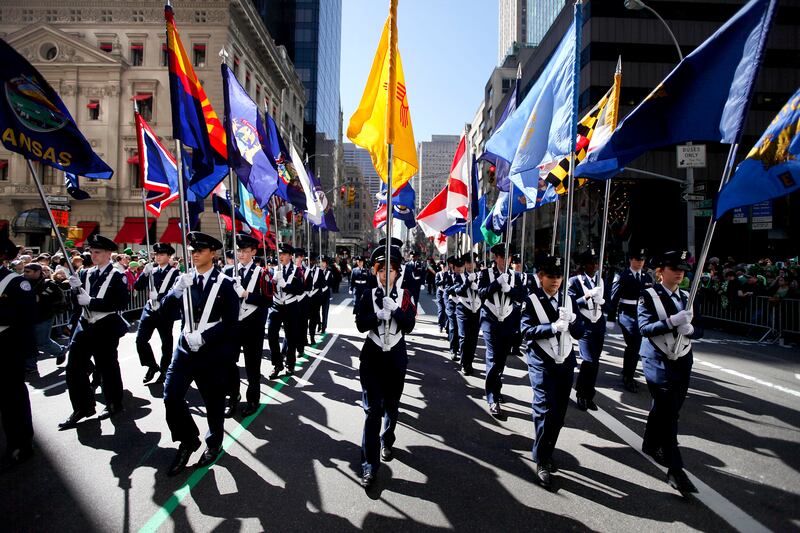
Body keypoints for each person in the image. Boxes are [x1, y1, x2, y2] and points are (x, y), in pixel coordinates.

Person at [161, 232, 239, 476]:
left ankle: (214, 443)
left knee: (213, 403)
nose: (194, 254)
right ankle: (188, 440)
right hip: (184, 350)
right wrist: (175, 291)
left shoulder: (225, 284)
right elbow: (164, 311)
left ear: (212, 253)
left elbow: (231, 323)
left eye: (200, 250)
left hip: (211, 353)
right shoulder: (184, 280)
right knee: (171, 396)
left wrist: (206, 336)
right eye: (192, 250)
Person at [638, 250, 703, 495]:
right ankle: (676, 470)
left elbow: (701, 329)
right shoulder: (648, 295)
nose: (679, 273)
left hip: (682, 359)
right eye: (674, 269)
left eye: (683, 270)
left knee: (670, 407)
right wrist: (671, 322)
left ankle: (650, 443)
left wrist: (691, 329)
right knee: (669, 413)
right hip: (657, 358)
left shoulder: (687, 296)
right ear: (660, 271)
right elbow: (644, 328)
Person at [520, 255, 585, 488]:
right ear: (540, 276)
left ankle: (548, 449)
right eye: (550, 275)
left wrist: (574, 320)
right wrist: (552, 327)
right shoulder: (531, 300)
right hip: (541, 362)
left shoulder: (568, 299)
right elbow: (526, 331)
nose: (555, 280)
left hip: (565, 361)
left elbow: (580, 332)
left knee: (558, 414)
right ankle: (542, 459)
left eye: (559, 276)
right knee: (545, 409)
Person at [355, 243, 416, 489]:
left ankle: (387, 440)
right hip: (373, 355)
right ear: (375, 271)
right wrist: (377, 316)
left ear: (397, 272)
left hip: (396, 357)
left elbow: (410, 325)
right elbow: (360, 324)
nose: (385, 274)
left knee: (392, 404)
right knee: (372, 411)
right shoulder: (367, 294)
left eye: (390, 270)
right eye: (381, 270)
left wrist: (397, 312)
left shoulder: (405, 295)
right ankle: (369, 466)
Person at [59, 235, 129, 429]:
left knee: (107, 367)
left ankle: (114, 403)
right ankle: (82, 407)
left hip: (105, 326)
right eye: (91, 252)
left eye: (97, 252)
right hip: (85, 325)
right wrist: (74, 290)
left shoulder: (118, 275)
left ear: (108, 254)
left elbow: (121, 302)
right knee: (73, 367)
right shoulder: (84, 273)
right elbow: (77, 304)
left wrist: (92, 302)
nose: (93, 255)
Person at [224, 234, 273, 418]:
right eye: (239, 251)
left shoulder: (262, 273)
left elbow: (268, 301)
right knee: (229, 363)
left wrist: (246, 294)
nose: (241, 254)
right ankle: (233, 396)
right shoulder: (229, 271)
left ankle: (253, 399)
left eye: (245, 251)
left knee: (252, 366)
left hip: (253, 327)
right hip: (232, 326)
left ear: (253, 252)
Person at [478, 243, 526, 418]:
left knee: (501, 359)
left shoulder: (516, 276)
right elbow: (481, 293)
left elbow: (522, 296)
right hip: (490, 320)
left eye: (509, 257)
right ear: (496, 258)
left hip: (507, 320)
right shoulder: (486, 274)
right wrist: (497, 284)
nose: (506, 260)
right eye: (503, 257)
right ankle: (492, 398)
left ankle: (496, 388)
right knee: (492, 357)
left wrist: (510, 290)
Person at [0, 236, 35, 471]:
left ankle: (21, 444)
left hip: (7, 346)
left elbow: (26, 316)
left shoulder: (15, 282)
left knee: (11, 399)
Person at [608, 248, 653, 393]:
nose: (640, 262)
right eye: (637, 260)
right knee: (634, 345)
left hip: (642, 315)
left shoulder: (646, 276)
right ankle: (628, 377)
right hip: (627, 315)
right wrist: (611, 318)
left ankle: (627, 372)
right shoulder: (622, 276)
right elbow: (614, 298)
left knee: (635, 346)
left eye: (642, 260)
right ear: (630, 260)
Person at [134, 242, 180, 384]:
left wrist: (160, 297)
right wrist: (144, 273)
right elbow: (137, 286)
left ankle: (165, 369)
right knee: (140, 340)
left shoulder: (175, 273)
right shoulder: (151, 271)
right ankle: (151, 365)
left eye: (161, 254)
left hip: (165, 312)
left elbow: (175, 294)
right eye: (156, 254)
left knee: (166, 342)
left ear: (169, 256)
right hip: (149, 310)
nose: (158, 257)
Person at [568, 249, 607, 411]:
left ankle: (589, 394)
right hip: (584, 324)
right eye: (592, 263)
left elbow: (607, 300)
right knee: (588, 361)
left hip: (598, 323)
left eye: (596, 262)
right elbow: (570, 302)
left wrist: (603, 302)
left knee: (595, 362)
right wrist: (587, 296)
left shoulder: (600, 280)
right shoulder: (575, 281)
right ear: (584, 265)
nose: (595, 265)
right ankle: (581, 394)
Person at [267, 243, 305, 379]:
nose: (280, 256)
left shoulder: (297, 271)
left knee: (291, 337)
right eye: (279, 254)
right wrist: (270, 281)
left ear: (290, 256)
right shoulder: (273, 270)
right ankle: (277, 364)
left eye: (283, 254)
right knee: (271, 334)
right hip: (276, 305)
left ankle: (290, 364)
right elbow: (266, 289)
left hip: (290, 306)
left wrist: (285, 285)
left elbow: (300, 290)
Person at [23, 263, 67, 369]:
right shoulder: (22, 283)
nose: (25, 274)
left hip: (44, 317)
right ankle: (30, 365)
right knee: (27, 341)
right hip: (27, 316)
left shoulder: (49, 284)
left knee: (42, 341)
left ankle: (60, 351)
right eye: (24, 271)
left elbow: (58, 299)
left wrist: (42, 300)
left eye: (28, 271)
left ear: (37, 272)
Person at [452, 253, 481, 376]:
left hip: (476, 309)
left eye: (472, 262)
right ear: (464, 264)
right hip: (463, 309)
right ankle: (464, 363)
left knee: (473, 338)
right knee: (464, 337)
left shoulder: (480, 276)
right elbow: (457, 291)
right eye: (468, 263)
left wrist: (477, 288)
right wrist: (468, 282)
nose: (470, 265)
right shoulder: (460, 277)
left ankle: (470, 362)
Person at [306, 254, 327, 345]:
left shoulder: (319, 271)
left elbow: (323, 284)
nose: (310, 262)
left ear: (314, 261)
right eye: (308, 260)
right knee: (304, 320)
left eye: (311, 260)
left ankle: (312, 337)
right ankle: (304, 338)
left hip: (315, 299)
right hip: (305, 298)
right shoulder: (304, 270)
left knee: (313, 319)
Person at [444, 255, 462, 361]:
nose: (459, 269)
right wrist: (458, 286)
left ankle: (460, 348)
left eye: (461, 267)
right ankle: (453, 350)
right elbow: (447, 290)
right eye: (457, 267)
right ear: (453, 268)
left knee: (461, 329)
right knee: (454, 327)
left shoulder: (465, 277)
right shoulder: (448, 276)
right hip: (452, 304)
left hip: (463, 305)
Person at [434, 260, 449, 333]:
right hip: (440, 292)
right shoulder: (438, 274)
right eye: (443, 266)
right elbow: (436, 283)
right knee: (441, 310)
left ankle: (446, 325)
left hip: (447, 293)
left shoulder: (449, 274)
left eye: (445, 266)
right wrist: (443, 280)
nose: (444, 267)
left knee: (447, 310)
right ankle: (440, 325)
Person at [319, 256, 333, 333]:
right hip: (317, 295)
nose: (322, 264)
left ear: (326, 264)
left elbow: (330, 284)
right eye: (321, 262)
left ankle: (324, 327)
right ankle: (319, 323)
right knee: (316, 311)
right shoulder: (317, 271)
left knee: (325, 312)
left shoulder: (329, 272)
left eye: (324, 262)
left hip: (326, 295)